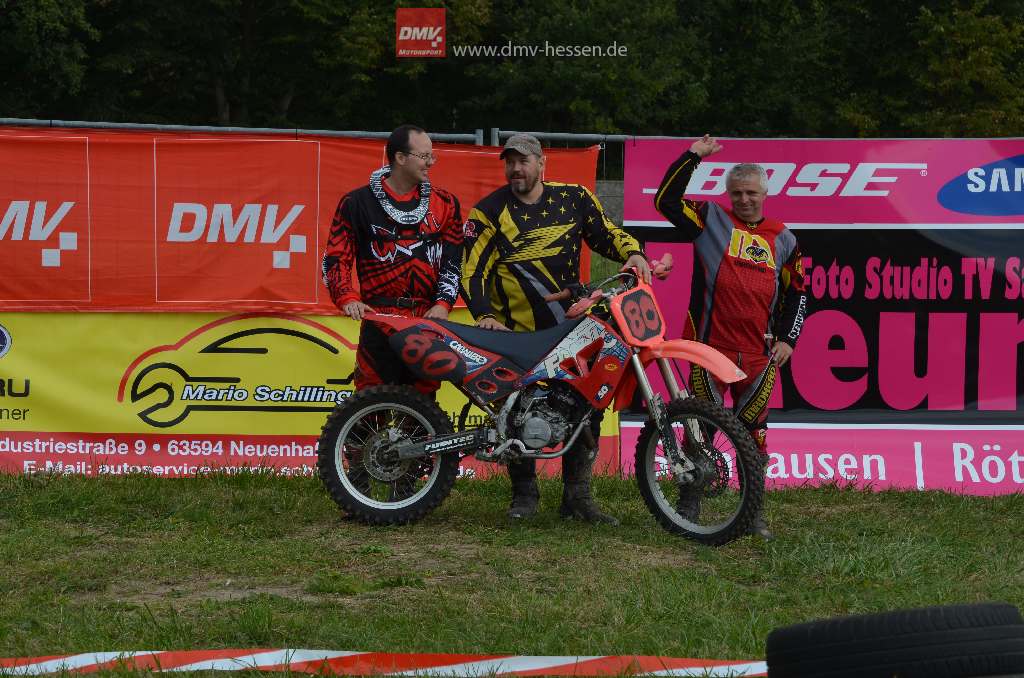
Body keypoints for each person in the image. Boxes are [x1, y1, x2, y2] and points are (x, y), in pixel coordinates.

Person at [462, 133, 652, 524]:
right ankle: (524, 497)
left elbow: (606, 233)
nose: (516, 169)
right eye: (510, 162)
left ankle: (577, 498)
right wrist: (483, 315)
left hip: (574, 327)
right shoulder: (488, 212)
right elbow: (472, 271)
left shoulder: (574, 198)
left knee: (586, 407)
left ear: (541, 163)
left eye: (523, 161)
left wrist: (632, 251)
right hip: (516, 331)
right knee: (515, 411)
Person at [653, 134, 809, 541]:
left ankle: (752, 513)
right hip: (709, 350)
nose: (744, 199)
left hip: (759, 356)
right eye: (737, 192)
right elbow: (665, 202)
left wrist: (789, 339)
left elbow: (799, 293)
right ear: (729, 194)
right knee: (699, 428)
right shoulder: (710, 219)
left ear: (765, 194)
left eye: (751, 192)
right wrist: (692, 156)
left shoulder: (785, 238)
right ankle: (689, 504)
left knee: (755, 434)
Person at [322, 124, 463, 394]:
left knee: (423, 401)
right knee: (370, 397)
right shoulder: (356, 202)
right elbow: (336, 258)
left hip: (425, 318)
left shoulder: (445, 203)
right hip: (379, 317)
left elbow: (453, 261)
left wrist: (443, 304)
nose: (431, 162)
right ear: (400, 157)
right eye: (424, 156)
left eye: (432, 156)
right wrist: (347, 297)